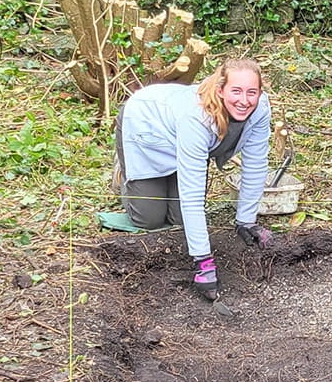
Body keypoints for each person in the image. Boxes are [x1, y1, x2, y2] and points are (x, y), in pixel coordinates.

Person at [114, 57, 277, 300]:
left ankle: (171, 176)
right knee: (149, 219)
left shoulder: (260, 109)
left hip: (179, 137)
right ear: (220, 90)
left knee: (181, 218)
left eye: (251, 92)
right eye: (236, 91)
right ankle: (123, 175)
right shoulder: (197, 116)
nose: (244, 101)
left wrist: (246, 221)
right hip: (145, 126)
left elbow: (255, 165)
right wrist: (203, 260)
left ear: (260, 92)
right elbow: (192, 197)